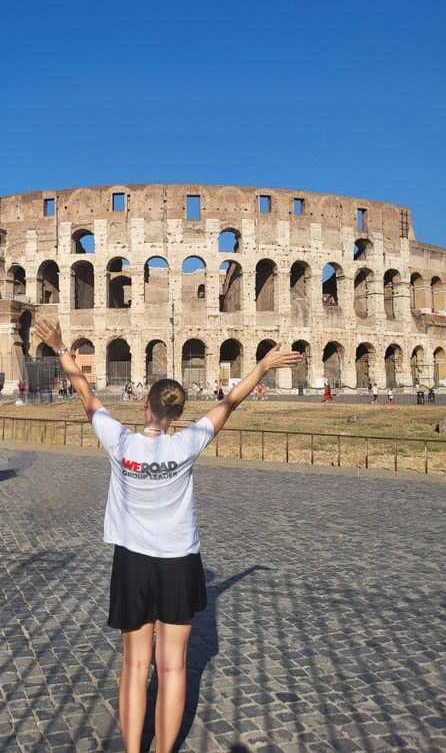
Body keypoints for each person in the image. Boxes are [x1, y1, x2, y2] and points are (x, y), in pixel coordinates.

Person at [34, 317, 301, 753]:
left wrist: (62, 347)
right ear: (178, 413)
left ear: (145, 406)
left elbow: (85, 394)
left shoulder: (120, 441)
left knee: (136, 665)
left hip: (134, 562)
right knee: (174, 667)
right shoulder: (187, 443)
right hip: (179, 561)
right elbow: (231, 400)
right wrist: (263, 366)